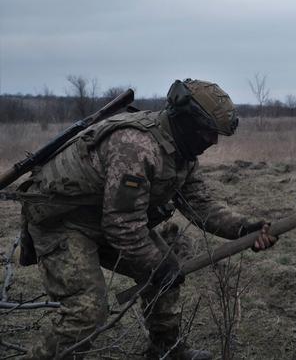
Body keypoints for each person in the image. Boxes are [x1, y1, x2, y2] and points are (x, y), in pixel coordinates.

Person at [18, 79, 277, 359]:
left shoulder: (182, 151)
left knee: (166, 261)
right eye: (207, 133)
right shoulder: (136, 147)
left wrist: (243, 228)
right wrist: (158, 265)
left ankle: (165, 349)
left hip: (107, 219)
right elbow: (122, 226)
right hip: (64, 222)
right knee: (86, 311)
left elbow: (199, 203)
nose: (212, 142)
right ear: (186, 121)